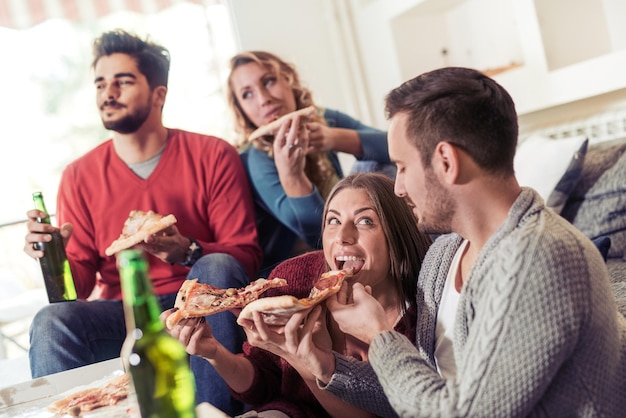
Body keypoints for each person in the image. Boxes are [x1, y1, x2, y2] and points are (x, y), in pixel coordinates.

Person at [300, 67, 626, 417]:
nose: (399, 188)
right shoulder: (443, 254)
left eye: (402, 167)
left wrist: (380, 337)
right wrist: (326, 366)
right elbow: (426, 396)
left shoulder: (540, 259)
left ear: (446, 161)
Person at [23, 29, 262, 416]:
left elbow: (244, 257)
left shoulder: (212, 154)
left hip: (194, 301)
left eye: (123, 80)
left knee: (216, 265)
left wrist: (188, 250)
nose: (108, 92)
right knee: (51, 319)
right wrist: (54, 256)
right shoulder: (77, 176)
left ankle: (210, 411)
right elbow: (76, 292)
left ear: (159, 95)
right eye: (100, 83)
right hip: (123, 311)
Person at [163, 172, 432, 418]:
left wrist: (299, 358)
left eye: (365, 221)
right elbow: (261, 386)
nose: (343, 236)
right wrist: (214, 353)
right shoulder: (295, 278)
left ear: (397, 234)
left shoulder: (423, 318)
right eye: (333, 221)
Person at [227, 51, 395, 277]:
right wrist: (292, 176)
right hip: (293, 264)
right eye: (247, 94)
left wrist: (334, 138)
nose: (263, 98)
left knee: (382, 165)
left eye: (269, 81)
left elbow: (397, 145)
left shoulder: (322, 118)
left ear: (288, 79)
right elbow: (317, 235)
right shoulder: (255, 158)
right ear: (241, 110)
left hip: (349, 236)